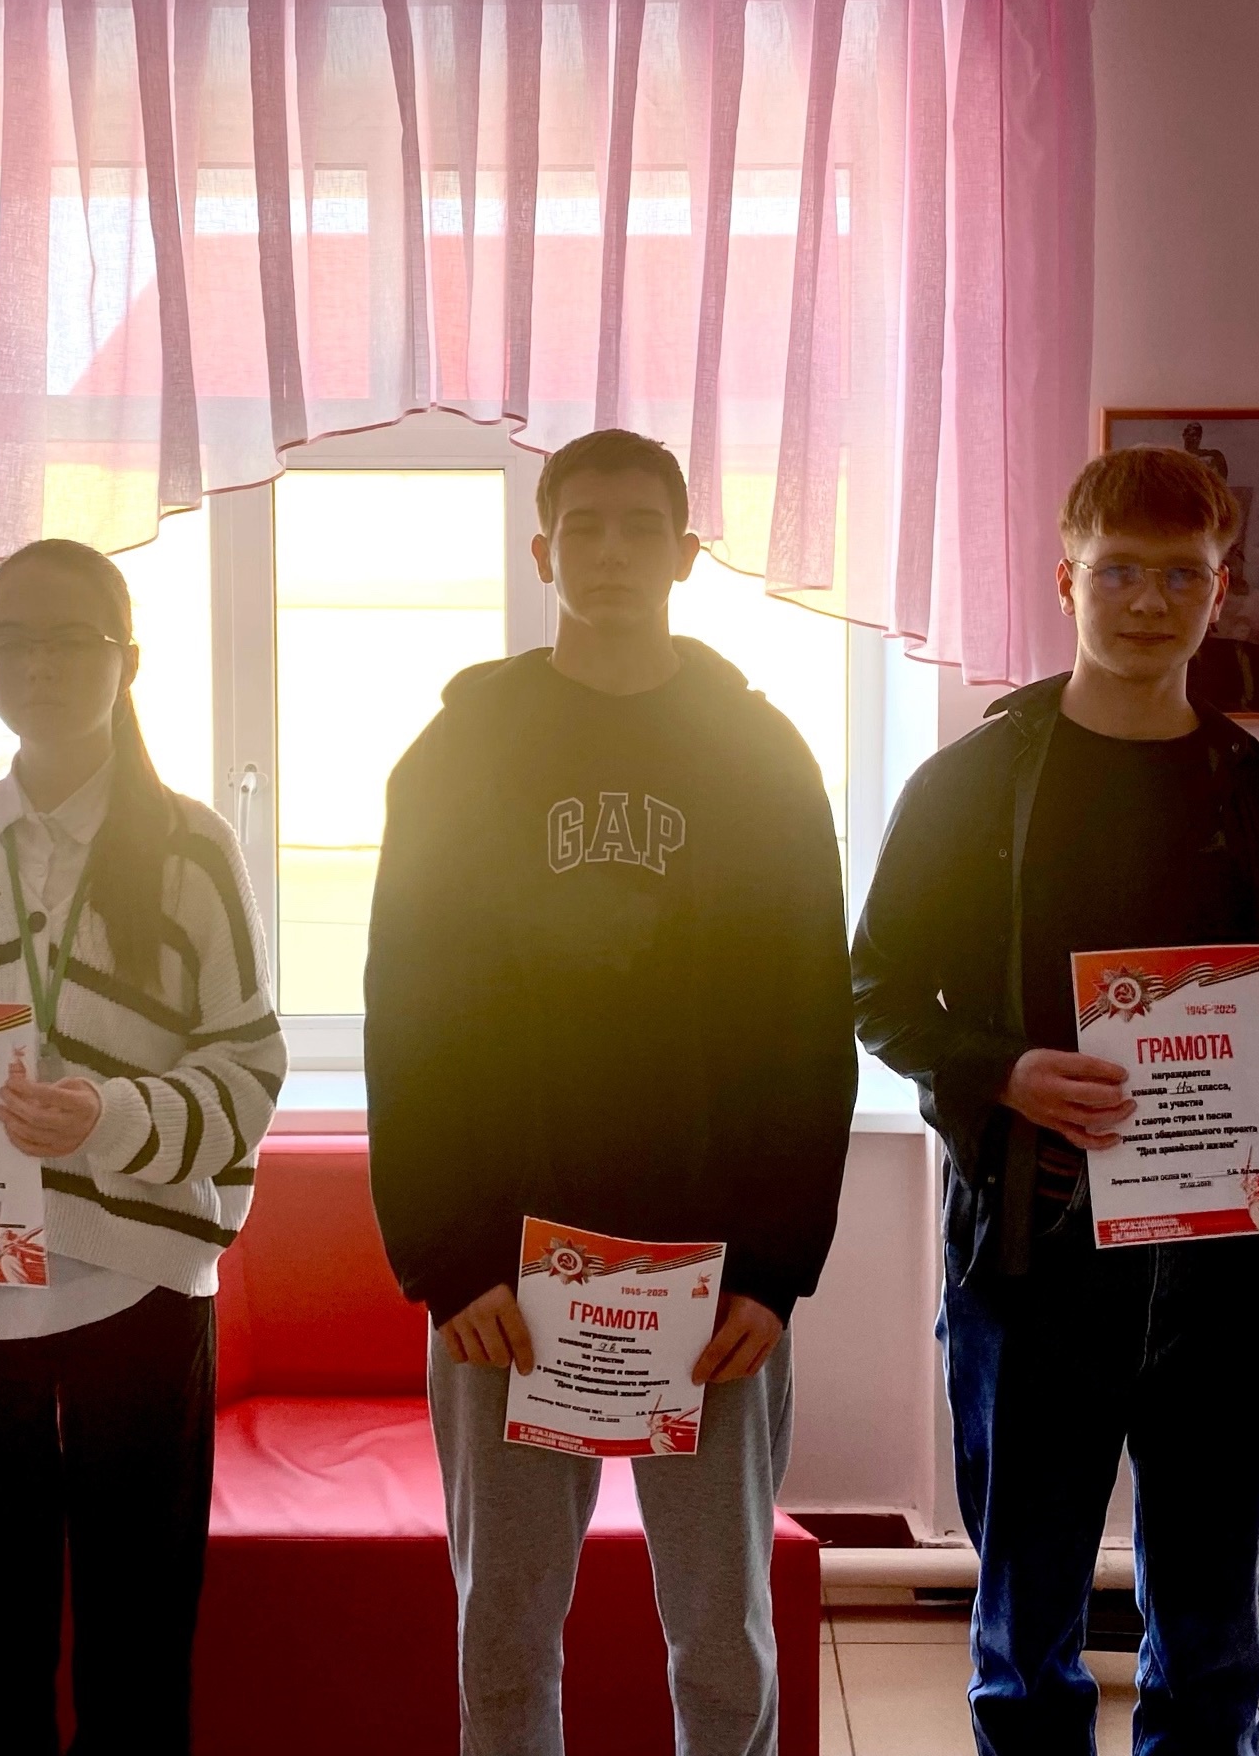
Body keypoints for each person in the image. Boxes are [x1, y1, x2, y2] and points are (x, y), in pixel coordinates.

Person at [852, 444, 1259, 1756]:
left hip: (1230, 1285)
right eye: (1120, 571)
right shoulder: (971, 790)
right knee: (1024, 1637)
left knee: (1212, 1644)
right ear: (1066, 579)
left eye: (1182, 575)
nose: (1150, 600)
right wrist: (1004, 1070)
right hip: (1032, 1269)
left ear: (1222, 589)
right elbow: (875, 991)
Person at [365, 428, 857, 1756]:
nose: (613, 551)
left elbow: (812, 1026)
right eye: (583, 526)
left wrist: (776, 1272)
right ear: (542, 551)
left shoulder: (762, 756)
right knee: (506, 1634)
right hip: (507, 1278)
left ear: (688, 554)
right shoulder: (459, 752)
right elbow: (407, 1016)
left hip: (713, 1277)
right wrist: (446, 1259)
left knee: (722, 1635)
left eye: (643, 527)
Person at [0, 537, 284, 1756]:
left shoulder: (190, 845)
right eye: (11, 638)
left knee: (139, 1630)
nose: (37, 663)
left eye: (70, 637)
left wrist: (109, 1119)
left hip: (136, 1280)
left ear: (128, 658)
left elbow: (248, 1063)